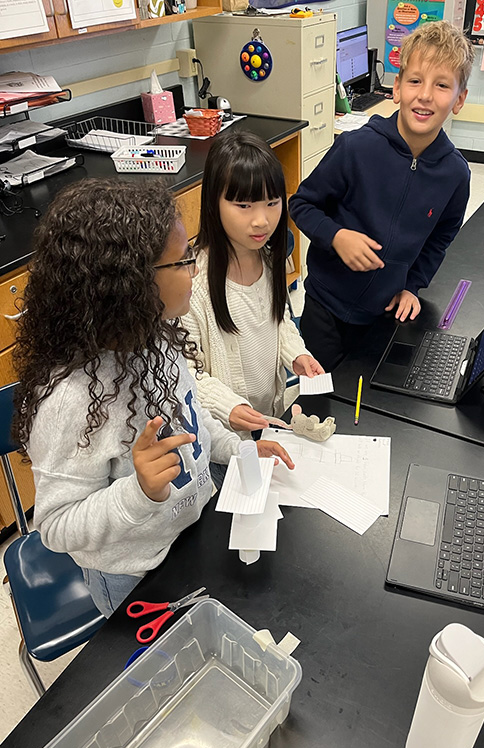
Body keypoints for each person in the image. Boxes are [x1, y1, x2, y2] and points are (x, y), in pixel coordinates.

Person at [13, 178, 294, 618]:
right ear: (130, 283)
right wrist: (138, 492)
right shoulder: (71, 400)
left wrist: (241, 450)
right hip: (135, 577)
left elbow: (194, 419)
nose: (195, 270)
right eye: (182, 262)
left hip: (194, 535)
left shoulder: (160, 334)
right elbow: (55, 527)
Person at [289, 20, 475, 371]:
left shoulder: (455, 174)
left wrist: (414, 286)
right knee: (317, 398)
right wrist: (337, 236)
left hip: (384, 314)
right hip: (325, 305)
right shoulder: (356, 148)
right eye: (415, 81)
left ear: (459, 99)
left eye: (441, 85)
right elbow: (301, 204)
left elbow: (441, 238)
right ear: (397, 87)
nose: (424, 95)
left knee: (363, 400)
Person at [182, 131, 324, 484]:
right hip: (222, 441)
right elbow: (186, 374)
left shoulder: (269, 258)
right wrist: (229, 407)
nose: (261, 220)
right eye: (244, 206)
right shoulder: (193, 288)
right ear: (214, 202)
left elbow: (279, 320)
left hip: (268, 422)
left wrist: (296, 354)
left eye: (272, 202)